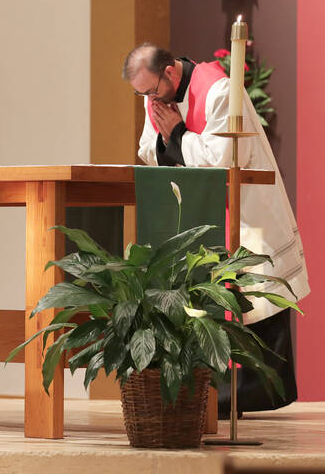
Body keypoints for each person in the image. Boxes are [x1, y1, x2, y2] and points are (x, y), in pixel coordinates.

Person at [123, 43, 310, 412]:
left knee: (254, 301)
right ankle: (212, 396)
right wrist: (169, 139)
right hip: (201, 217)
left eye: (151, 91)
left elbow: (224, 159)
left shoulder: (220, 91)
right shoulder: (156, 98)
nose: (148, 100)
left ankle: (250, 393)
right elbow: (149, 149)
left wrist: (176, 135)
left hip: (246, 213)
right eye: (141, 94)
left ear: (170, 73)